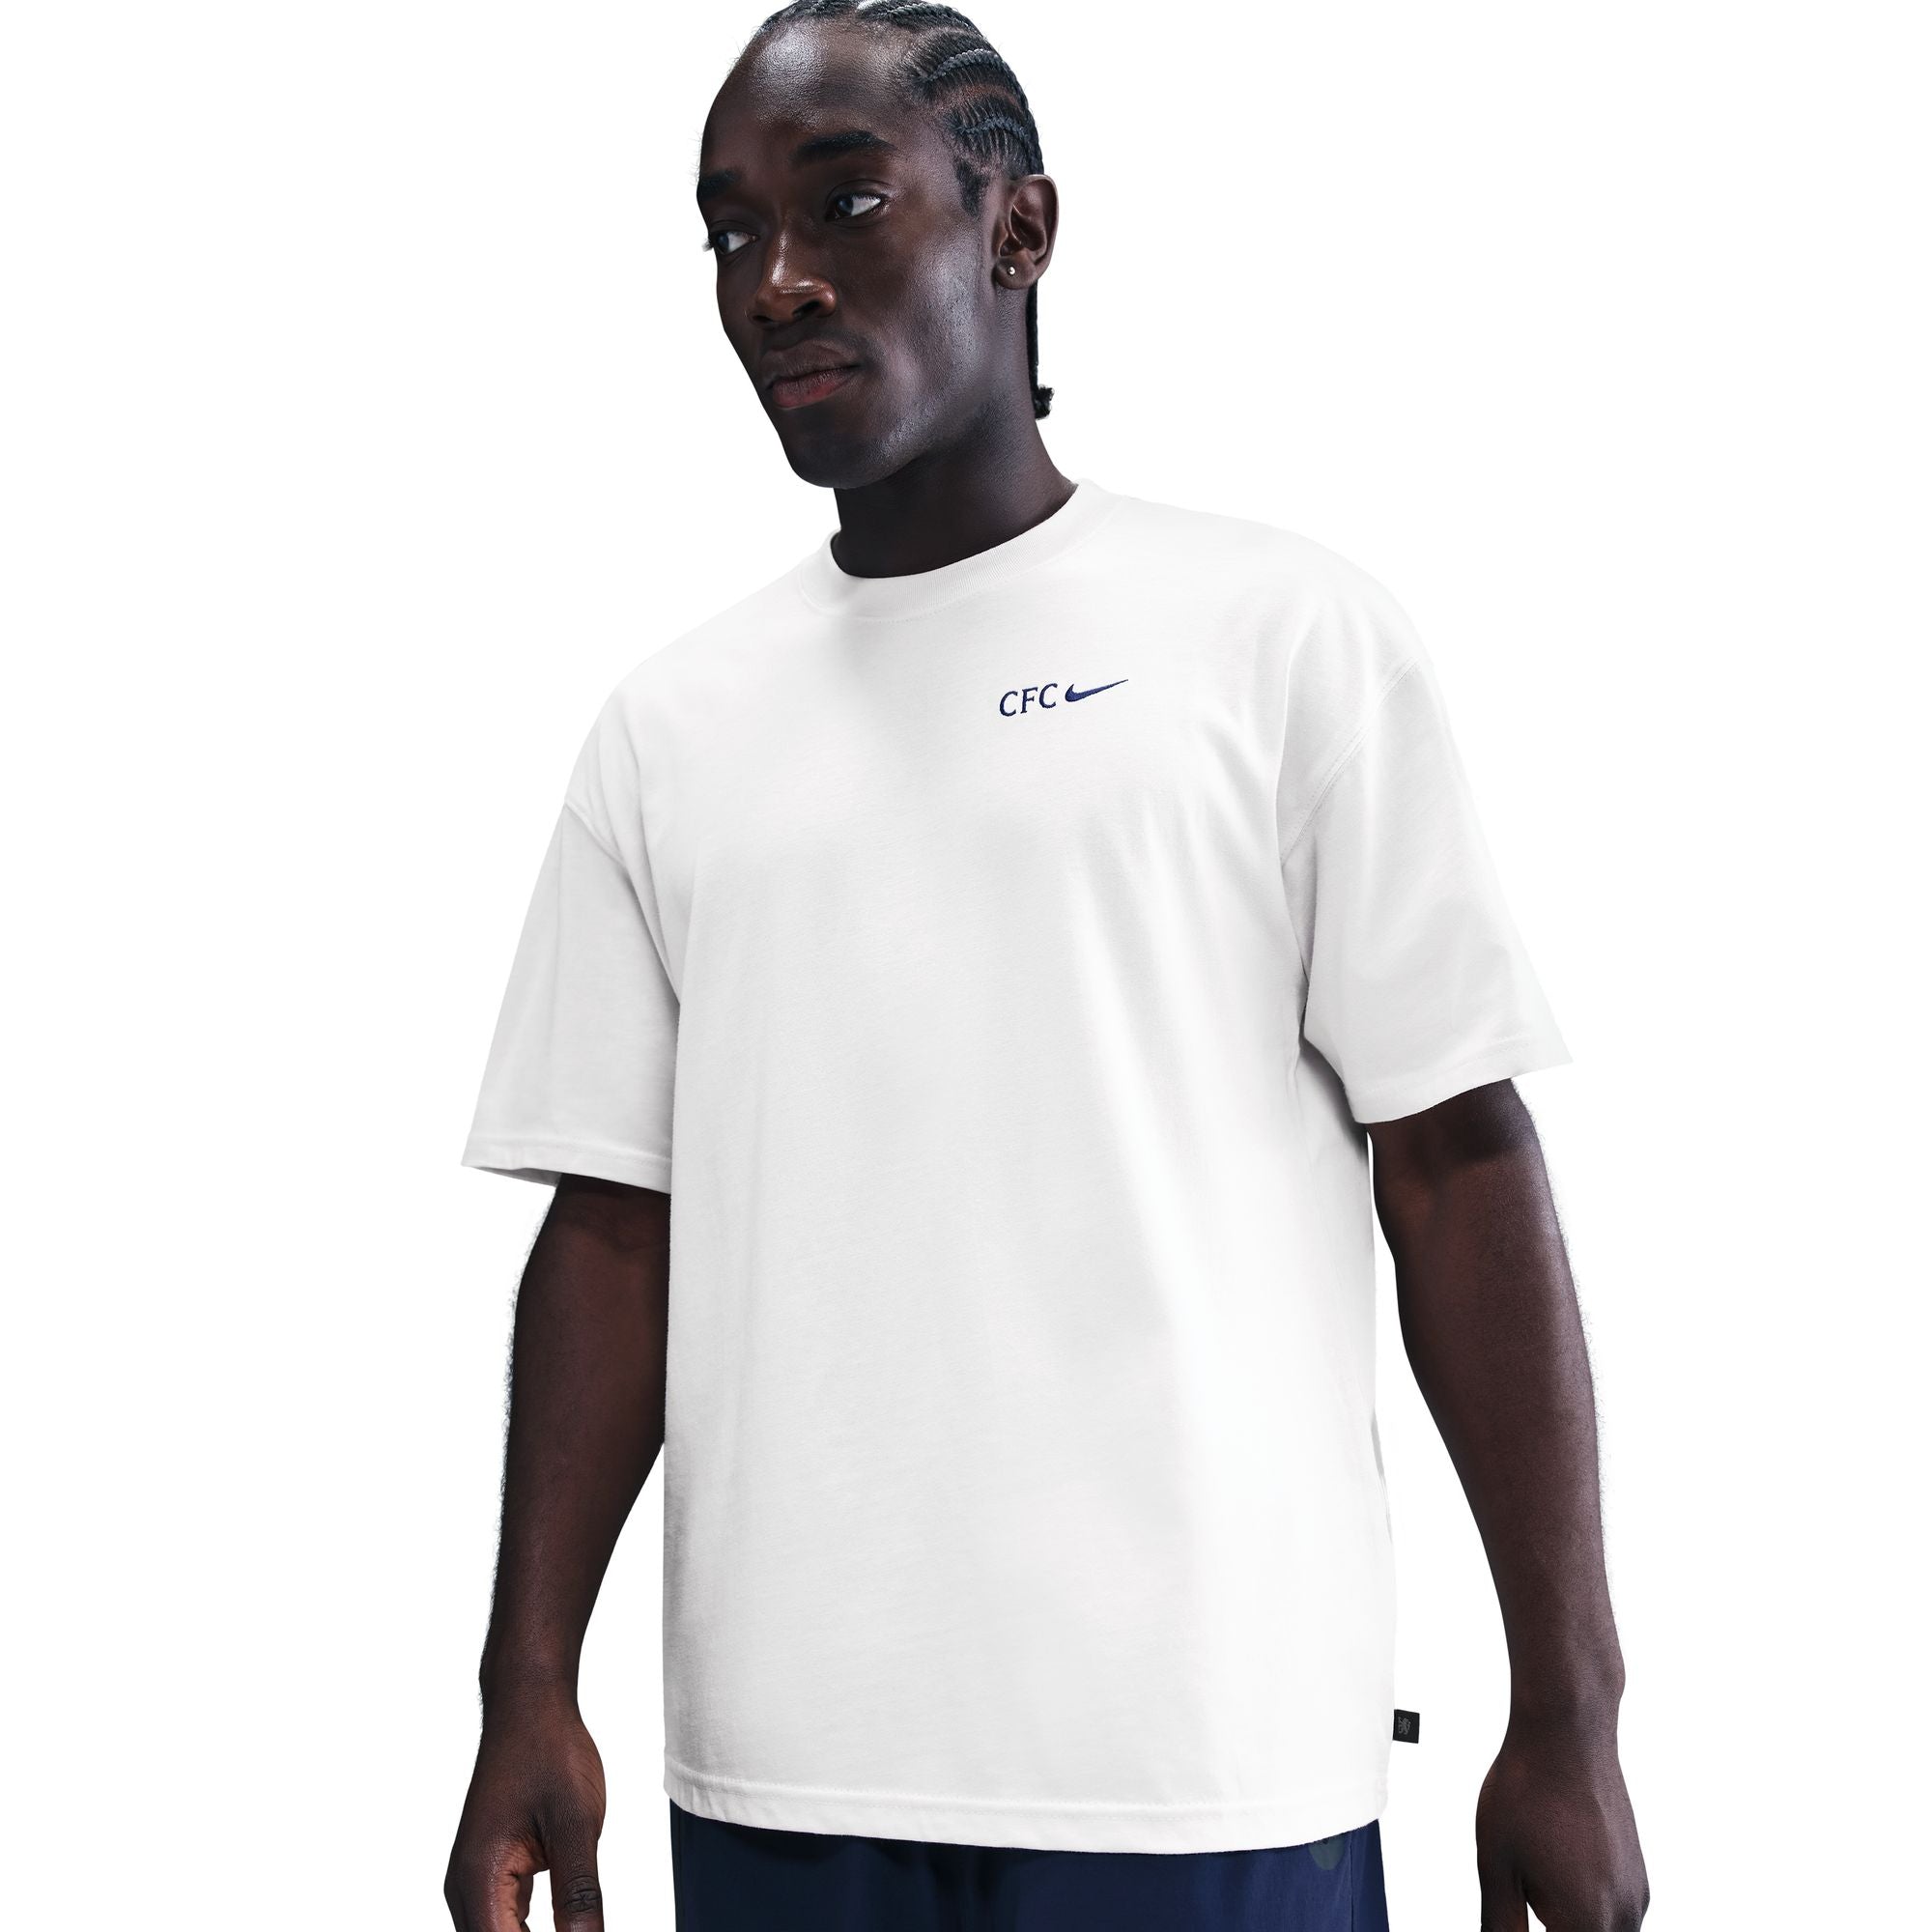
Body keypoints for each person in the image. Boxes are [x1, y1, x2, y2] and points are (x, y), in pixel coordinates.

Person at [443, 3, 1650, 1927]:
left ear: (1020, 228)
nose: (775, 280)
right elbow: (611, 1231)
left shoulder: (1282, 639)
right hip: (786, 1770)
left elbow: (1456, 1162)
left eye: (845, 203)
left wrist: (1569, 1716)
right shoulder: (671, 729)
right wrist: (526, 1688)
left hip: (1206, 1768)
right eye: (730, 232)